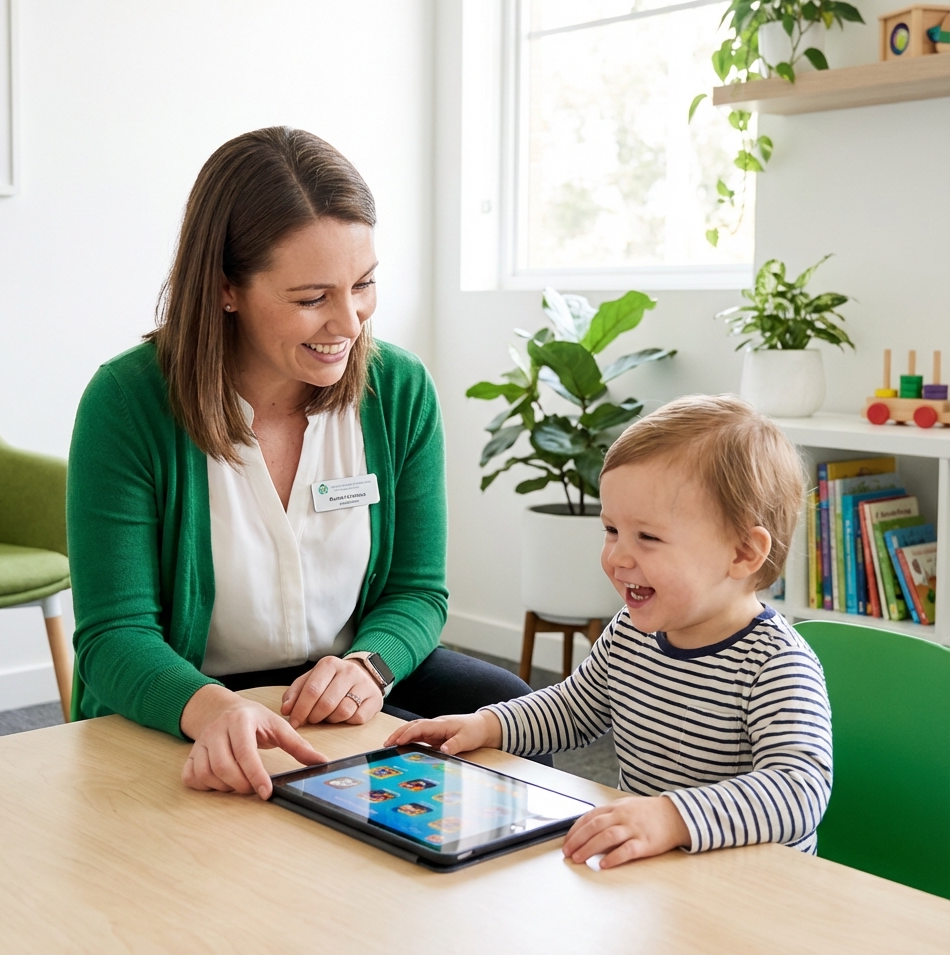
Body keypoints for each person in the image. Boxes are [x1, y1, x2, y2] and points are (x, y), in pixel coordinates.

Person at [67, 127, 534, 801]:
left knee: (504, 707)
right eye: (312, 298)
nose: (349, 322)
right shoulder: (128, 402)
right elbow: (115, 636)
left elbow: (418, 591)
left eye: (364, 285)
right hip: (199, 687)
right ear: (227, 289)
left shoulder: (398, 390)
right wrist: (213, 710)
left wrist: (370, 667)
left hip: (343, 672)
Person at [387, 395, 833, 869]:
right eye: (611, 530)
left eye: (648, 537)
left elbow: (798, 790)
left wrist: (671, 818)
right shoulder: (631, 633)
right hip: (652, 873)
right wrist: (487, 724)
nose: (618, 557)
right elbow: (573, 709)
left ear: (743, 553)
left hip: (749, 890)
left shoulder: (776, 664)